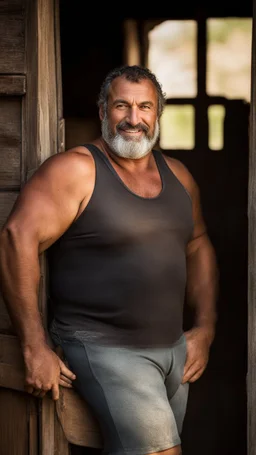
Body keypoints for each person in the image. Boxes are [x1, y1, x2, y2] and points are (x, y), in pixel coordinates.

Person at [0, 65, 218, 455]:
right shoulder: (76, 170)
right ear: (103, 111)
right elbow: (17, 238)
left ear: (158, 113)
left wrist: (205, 328)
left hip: (171, 354)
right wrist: (34, 347)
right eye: (122, 106)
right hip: (104, 348)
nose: (133, 119)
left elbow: (198, 243)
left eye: (145, 107)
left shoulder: (179, 177)